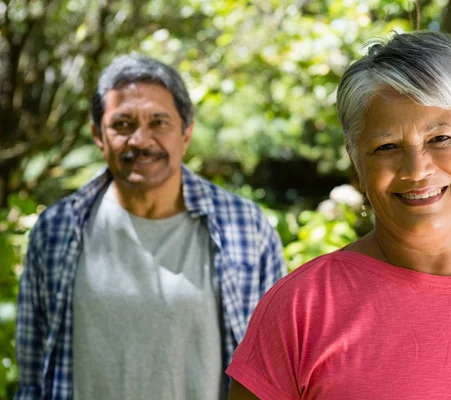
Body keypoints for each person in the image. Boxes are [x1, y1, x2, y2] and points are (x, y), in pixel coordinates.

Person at [226, 31, 451, 399]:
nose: (417, 170)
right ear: (357, 164)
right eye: (386, 146)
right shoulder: (300, 308)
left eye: (440, 139)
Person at [15, 54, 287, 400]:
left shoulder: (246, 229)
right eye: (123, 124)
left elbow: (275, 371)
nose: (141, 140)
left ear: (186, 133)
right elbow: (32, 379)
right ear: (98, 135)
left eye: (159, 122)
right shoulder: (56, 230)